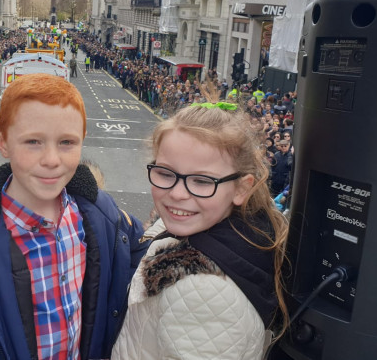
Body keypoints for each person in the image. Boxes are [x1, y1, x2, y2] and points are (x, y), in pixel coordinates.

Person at [0, 73, 148, 359]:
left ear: (83, 140)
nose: (51, 160)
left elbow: (141, 251)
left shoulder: (101, 214)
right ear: (3, 143)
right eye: (33, 142)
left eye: (67, 143)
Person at [111, 95, 289, 359]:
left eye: (202, 181)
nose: (177, 193)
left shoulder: (204, 293)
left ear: (241, 188)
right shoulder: (244, 230)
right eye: (165, 173)